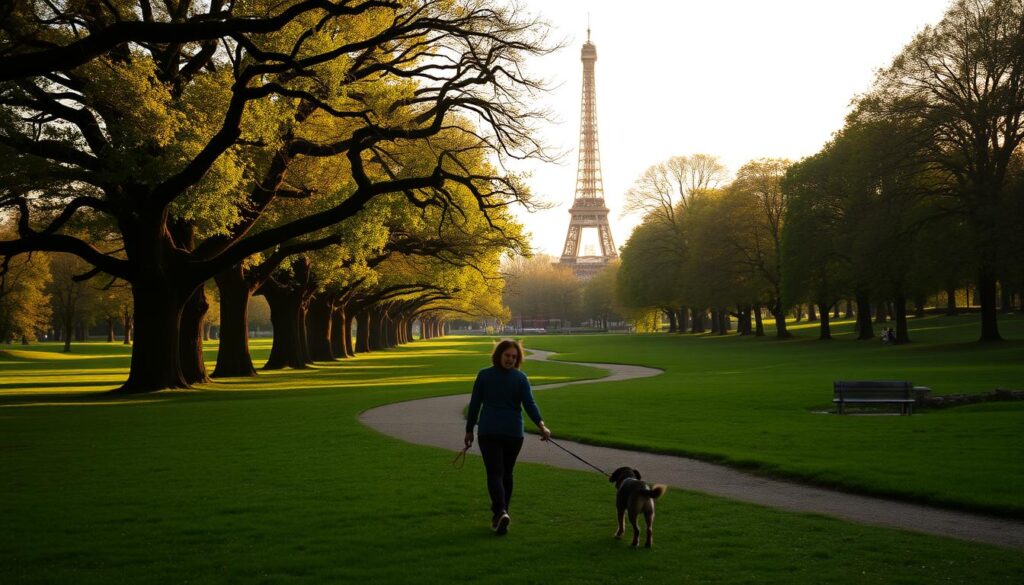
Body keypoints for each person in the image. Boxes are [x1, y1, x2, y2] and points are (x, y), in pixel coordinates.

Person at [464, 339, 551, 536]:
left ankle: (501, 512)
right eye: (507, 356)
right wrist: (469, 429)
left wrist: (541, 425)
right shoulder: (493, 376)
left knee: (497, 473)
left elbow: (529, 404)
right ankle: (502, 513)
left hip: (498, 432)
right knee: (503, 473)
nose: (510, 359)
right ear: (498, 355)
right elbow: (475, 404)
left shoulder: (515, 378)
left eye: (514, 356)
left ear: (518, 358)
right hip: (503, 432)